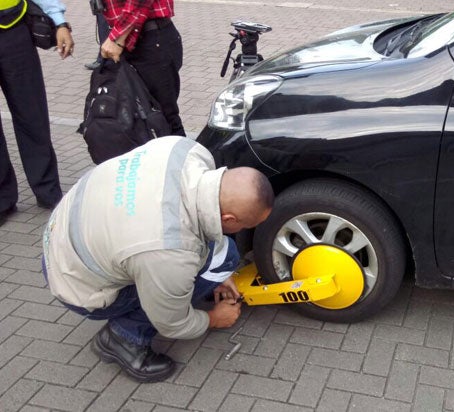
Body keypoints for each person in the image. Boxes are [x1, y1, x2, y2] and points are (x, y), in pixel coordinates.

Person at [41, 136, 274, 382]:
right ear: (229, 219)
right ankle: (123, 337)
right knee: (196, 272)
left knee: (219, 256)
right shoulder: (169, 252)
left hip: (62, 233)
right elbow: (171, 323)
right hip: (73, 281)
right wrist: (213, 319)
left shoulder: (186, 150)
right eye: (246, 226)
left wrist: (217, 276)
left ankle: (162, 286)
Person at [0, 0, 74, 226]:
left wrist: (60, 22)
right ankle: (3, 199)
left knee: (32, 115)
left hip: (13, 30)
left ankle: (47, 190)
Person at [99, 0, 185, 135]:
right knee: (132, 118)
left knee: (164, 120)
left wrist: (117, 38)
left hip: (149, 38)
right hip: (129, 38)